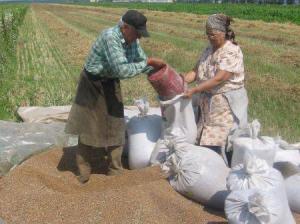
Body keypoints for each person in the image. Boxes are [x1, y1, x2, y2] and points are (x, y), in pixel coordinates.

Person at [65, 10, 165, 183]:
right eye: (137, 33)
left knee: (116, 125)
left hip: (110, 81)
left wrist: (162, 74)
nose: (139, 38)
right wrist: (147, 63)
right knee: (88, 126)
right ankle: (83, 172)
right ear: (125, 27)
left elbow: (142, 61)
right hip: (92, 83)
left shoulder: (132, 40)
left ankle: (115, 171)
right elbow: (123, 70)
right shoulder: (110, 37)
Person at [183, 14, 248, 162]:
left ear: (223, 33)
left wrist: (195, 90)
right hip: (208, 103)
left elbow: (220, 78)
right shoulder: (208, 49)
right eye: (208, 34)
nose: (210, 37)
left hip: (225, 104)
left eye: (213, 34)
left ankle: (226, 168)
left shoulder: (231, 51)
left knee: (223, 140)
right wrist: (182, 81)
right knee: (206, 138)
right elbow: (195, 70)